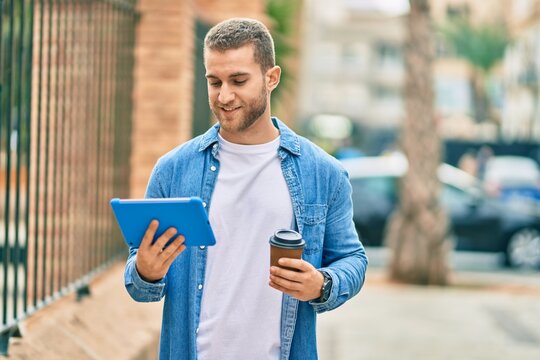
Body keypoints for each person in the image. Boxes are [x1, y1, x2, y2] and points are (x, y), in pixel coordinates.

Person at [124, 18, 368, 360]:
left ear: (272, 78)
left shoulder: (322, 172)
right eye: (214, 82)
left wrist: (322, 285)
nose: (224, 96)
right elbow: (139, 285)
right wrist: (147, 271)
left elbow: (352, 259)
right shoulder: (173, 170)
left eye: (238, 80)